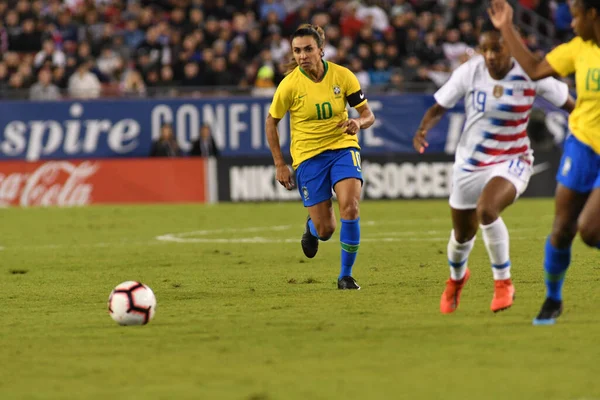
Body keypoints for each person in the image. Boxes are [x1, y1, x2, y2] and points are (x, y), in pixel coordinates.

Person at [413, 21, 575, 314]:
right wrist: (423, 128)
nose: (489, 55)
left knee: (487, 210)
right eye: (484, 49)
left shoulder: (531, 71)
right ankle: (456, 279)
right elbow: (439, 106)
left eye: (496, 48)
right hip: (469, 163)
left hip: (513, 160)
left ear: (510, 48)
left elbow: (570, 104)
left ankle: (503, 283)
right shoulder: (470, 71)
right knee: (462, 235)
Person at [488, 0, 600, 325]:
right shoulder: (579, 48)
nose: (573, 24)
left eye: (577, 17)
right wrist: (506, 27)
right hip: (582, 146)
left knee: (591, 231)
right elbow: (535, 69)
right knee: (563, 229)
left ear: (593, 14)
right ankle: (553, 299)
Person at [265, 24, 375, 290]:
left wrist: (358, 124)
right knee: (326, 230)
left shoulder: (343, 76)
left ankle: (345, 276)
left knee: (350, 206)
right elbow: (271, 122)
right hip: (308, 157)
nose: (302, 55)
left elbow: (368, 115)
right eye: (297, 51)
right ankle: (312, 229)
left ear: (321, 50)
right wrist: (280, 164)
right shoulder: (290, 84)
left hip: (343, 148)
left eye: (307, 49)